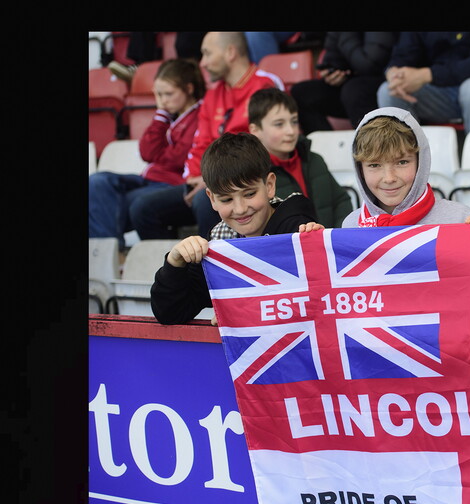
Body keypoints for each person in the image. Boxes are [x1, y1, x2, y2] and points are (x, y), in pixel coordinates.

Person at [150, 132, 322, 325]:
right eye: (227, 199)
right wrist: (175, 263)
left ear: (270, 185)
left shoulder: (297, 229)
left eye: (249, 194)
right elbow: (170, 313)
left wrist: (238, 309)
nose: (240, 209)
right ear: (212, 199)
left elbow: (315, 301)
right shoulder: (217, 243)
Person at [130, 32, 283, 242]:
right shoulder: (212, 95)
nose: (203, 62)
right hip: (205, 183)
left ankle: (214, 264)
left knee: (205, 199)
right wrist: (197, 178)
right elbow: (200, 144)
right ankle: (175, 269)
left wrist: (211, 181)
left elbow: (268, 147)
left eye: (208, 54)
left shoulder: (264, 85)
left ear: (230, 52)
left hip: (244, 184)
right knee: (143, 208)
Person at [89, 58, 206, 249]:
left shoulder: (200, 115)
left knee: (111, 204)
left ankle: (109, 254)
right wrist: (161, 114)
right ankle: (106, 255)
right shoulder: (168, 115)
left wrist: (159, 153)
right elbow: (147, 151)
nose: (164, 100)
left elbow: (177, 158)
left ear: (189, 89)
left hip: (170, 184)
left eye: (168, 94)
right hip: (148, 179)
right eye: (158, 95)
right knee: (97, 182)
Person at [342, 107, 470, 228]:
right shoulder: (351, 226)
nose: (389, 178)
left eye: (402, 162)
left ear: (421, 162)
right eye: (374, 165)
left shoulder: (460, 219)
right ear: (360, 170)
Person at [241, 87, 353, 231]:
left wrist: (336, 236)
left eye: (294, 121)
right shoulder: (254, 174)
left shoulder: (314, 161)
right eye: (279, 124)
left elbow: (341, 201)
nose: (291, 131)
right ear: (255, 130)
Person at [376, 32, 470, 134]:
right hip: (437, 95)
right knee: (388, 91)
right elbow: (403, 54)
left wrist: (429, 74)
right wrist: (394, 72)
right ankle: (406, 157)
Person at [289, 32, 399, 133]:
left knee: (354, 90)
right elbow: (331, 58)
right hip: (352, 82)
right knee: (303, 92)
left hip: (387, 81)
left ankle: (371, 147)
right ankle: (325, 149)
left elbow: (369, 64)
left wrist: (347, 33)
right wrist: (332, 72)